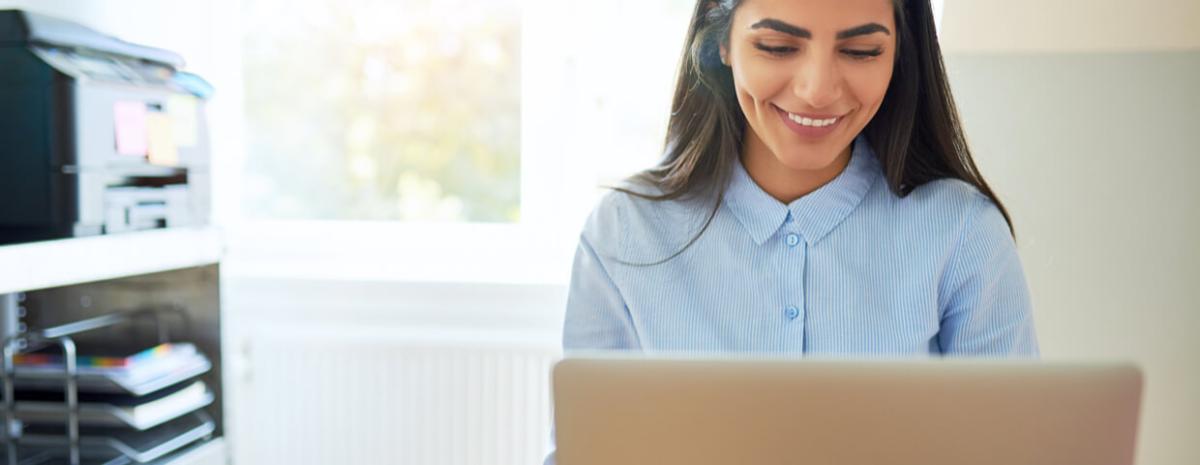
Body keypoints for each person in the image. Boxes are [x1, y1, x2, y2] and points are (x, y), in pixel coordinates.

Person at [546, 0, 1037, 461]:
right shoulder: (624, 232)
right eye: (778, 47)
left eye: (861, 50)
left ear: (899, 53)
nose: (817, 89)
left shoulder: (962, 232)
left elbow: (1012, 450)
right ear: (723, 42)